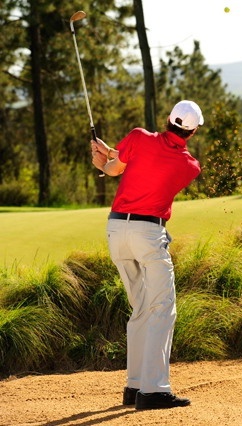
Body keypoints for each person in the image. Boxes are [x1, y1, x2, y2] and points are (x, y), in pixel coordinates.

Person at [90, 100, 203, 410]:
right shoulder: (190, 166)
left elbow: (115, 169)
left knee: (140, 308)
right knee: (161, 307)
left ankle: (135, 386)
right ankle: (153, 390)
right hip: (148, 234)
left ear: (168, 120)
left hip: (116, 231)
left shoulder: (139, 137)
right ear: (192, 131)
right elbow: (153, 163)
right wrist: (110, 153)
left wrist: (105, 157)